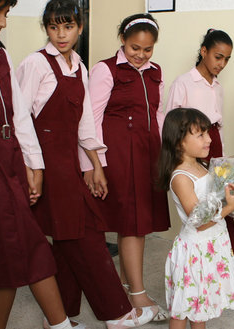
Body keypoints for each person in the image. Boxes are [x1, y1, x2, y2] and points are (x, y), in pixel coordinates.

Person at [16, 0, 154, 327]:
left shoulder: (80, 65)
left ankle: (63, 316)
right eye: (53, 27)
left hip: (70, 160)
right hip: (44, 160)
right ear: (46, 28)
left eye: (67, 27)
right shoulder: (35, 64)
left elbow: (85, 126)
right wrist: (31, 169)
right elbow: (19, 119)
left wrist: (96, 165)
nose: (60, 34)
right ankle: (117, 313)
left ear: (80, 27)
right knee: (85, 233)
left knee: (68, 235)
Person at [0, 1, 73, 328]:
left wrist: (34, 166)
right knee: (32, 248)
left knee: (5, 260)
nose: (3, 22)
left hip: (9, 160)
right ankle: (60, 324)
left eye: (6, 13)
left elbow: (20, 115)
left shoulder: (0, 55)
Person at [165, 29, 234, 295]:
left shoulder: (218, 87)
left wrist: (221, 155)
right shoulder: (183, 83)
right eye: (218, 56)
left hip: (212, 143)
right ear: (204, 51)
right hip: (191, 149)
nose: (221, 64)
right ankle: (233, 274)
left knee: (224, 204)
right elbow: (171, 127)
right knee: (208, 209)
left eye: (227, 59)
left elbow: (216, 128)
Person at [88, 13, 169, 321]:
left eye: (147, 49)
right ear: (122, 39)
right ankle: (138, 294)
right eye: (135, 47)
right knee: (133, 225)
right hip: (120, 156)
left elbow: (157, 113)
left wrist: (165, 154)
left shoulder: (155, 71)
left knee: (137, 223)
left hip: (148, 154)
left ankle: (126, 287)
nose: (141, 55)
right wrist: (96, 164)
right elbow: (91, 119)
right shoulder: (105, 69)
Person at [158, 108, 234, 329]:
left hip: (212, 245)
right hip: (195, 250)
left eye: (208, 133)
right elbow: (200, 222)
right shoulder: (181, 177)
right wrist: (229, 205)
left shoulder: (202, 166)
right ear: (179, 141)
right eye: (200, 135)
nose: (209, 139)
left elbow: (222, 206)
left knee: (201, 308)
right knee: (182, 310)